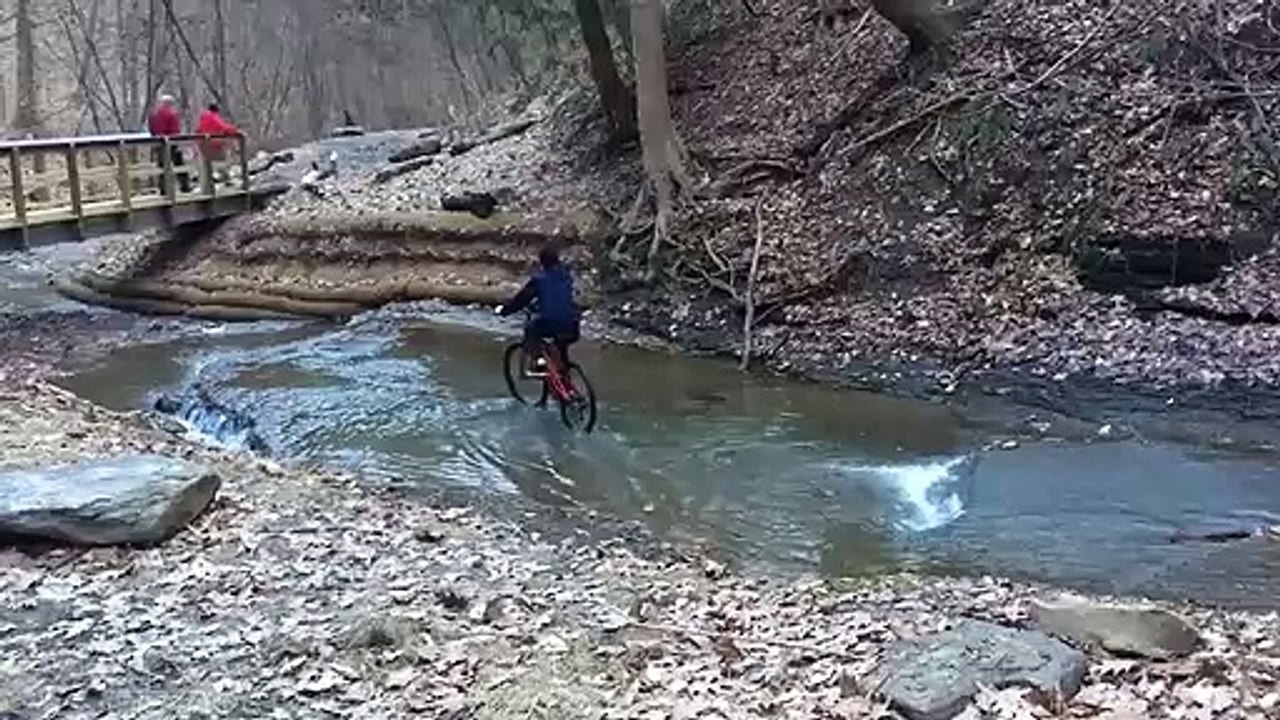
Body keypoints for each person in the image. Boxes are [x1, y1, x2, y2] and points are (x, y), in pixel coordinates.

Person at [496, 243, 581, 376]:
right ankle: (566, 384)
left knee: (531, 331)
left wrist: (505, 311)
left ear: (542, 262)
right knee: (561, 347)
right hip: (573, 325)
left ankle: (539, 362)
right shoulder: (567, 277)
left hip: (550, 323)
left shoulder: (539, 279)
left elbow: (522, 299)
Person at [146, 94, 191, 192]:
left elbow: (151, 129)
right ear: (169, 103)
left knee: (162, 166)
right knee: (179, 164)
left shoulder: (154, 115)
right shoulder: (172, 114)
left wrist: (155, 138)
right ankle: (185, 186)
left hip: (159, 143)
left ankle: (163, 189)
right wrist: (177, 142)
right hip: (171, 143)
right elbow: (175, 130)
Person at [196, 102, 239, 181]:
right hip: (213, 144)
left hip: (203, 144)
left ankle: (208, 180)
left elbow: (198, 130)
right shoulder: (213, 117)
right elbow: (223, 127)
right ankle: (226, 179)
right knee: (222, 160)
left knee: (208, 163)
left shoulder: (203, 118)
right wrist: (234, 129)